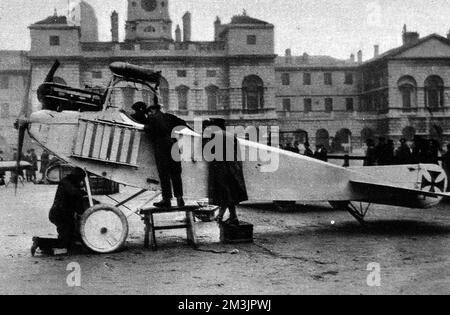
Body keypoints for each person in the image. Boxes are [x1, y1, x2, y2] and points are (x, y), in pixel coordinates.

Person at [31, 168, 87, 256]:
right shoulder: (66, 183)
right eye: (81, 179)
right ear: (77, 177)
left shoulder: (67, 181)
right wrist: (83, 192)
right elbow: (74, 193)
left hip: (60, 214)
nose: (81, 181)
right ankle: (40, 242)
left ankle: (43, 244)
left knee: (68, 238)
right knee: (66, 242)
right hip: (61, 215)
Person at [203, 119, 248, 225]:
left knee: (225, 194)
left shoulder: (214, 135)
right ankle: (228, 216)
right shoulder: (231, 135)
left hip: (221, 168)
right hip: (233, 167)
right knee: (230, 193)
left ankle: (231, 216)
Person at [146, 96, 187, 208]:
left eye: (149, 112)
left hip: (161, 148)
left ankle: (167, 200)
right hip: (174, 146)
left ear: (152, 111)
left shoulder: (152, 118)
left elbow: (149, 131)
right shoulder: (169, 116)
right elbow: (182, 123)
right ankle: (180, 199)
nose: (149, 114)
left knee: (164, 175)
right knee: (176, 174)